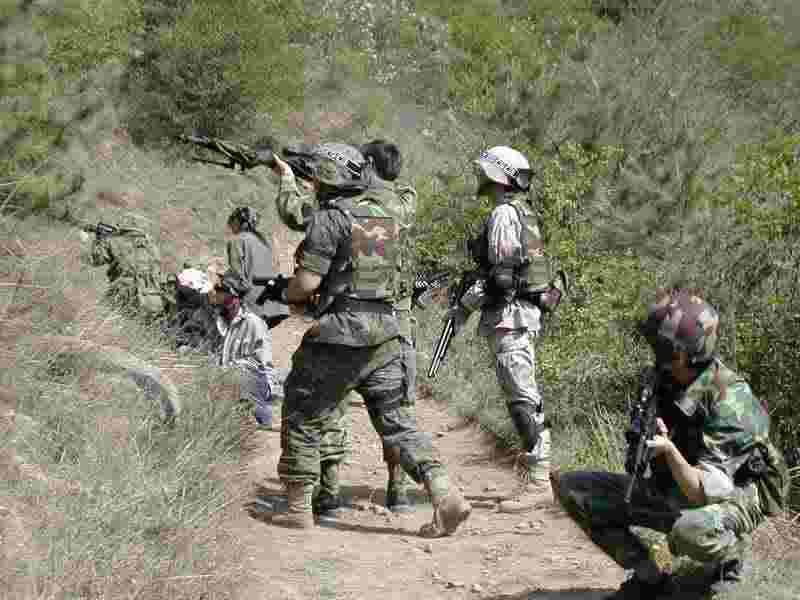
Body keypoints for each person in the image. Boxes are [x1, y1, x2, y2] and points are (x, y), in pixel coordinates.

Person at [260, 143, 471, 535]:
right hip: (387, 333)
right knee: (397, 421)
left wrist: (282, 290)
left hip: (339, 336)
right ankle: (443, 491)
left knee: (303, 411)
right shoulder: (386, 216)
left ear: (322, 178)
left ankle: (296, 505)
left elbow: (305, 285)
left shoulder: (329, 219)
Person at [551, 288, 789, 599]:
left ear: (687, 354)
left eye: (664, 351)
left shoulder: (731, 401)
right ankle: (652, 579)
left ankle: (729, 562)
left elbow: (705, 490)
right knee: (573, 489)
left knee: (690, 531)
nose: (656, 357)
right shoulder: (664, 379)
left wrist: (668, 450)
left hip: (735, 494)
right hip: (678, 484)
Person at [270, 140, 419, 514]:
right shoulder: (403, 203)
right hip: (394, 317)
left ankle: (328, 491)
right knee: (396, 411)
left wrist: (291, 180)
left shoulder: (346, 208)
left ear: (363, 165)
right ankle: (400, 491)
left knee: (327, 401)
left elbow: (298, 215)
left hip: (348, 318)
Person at [448, 146, 566, 513]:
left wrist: (464, 305)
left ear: (498, 176)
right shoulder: (524, 211)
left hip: (511, 316)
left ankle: (538, 482)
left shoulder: (503, 213)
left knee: (523, 400)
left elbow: (501, 279)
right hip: (520, 315)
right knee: (522, 397)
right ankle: (537, 478)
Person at [210, 274, 276, 429]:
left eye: (221, 290)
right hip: (226, 377)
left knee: (238, 377)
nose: (216, 293)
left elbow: (261, 362)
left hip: (253, 380)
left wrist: (229, 369)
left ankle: (263, 420)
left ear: (233, 296)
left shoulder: (253, 323)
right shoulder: (218, 320)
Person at [89, 213, 167, 318]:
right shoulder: (151, 245)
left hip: (124, 292)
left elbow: (97, 260)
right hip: (153, 295)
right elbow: (158, 268)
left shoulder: (114, 241)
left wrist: (99, 239)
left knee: (98, 317)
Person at [224, 206, 289, 330]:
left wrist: (222, 280)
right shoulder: (264, 241)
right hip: (277, 304)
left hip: (256, 304)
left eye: (231, 222)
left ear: (237, 222)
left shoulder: (236, 241)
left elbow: (240, 280)